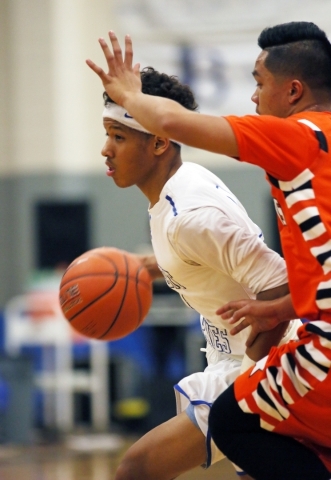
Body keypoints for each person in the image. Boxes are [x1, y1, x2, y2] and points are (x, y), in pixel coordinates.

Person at [85, 22, 331, 479]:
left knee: (148, 462)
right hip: (273, 342)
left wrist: (129, 96)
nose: (253, 99)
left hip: (286, 353)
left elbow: (179, 125)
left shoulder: (295, 141)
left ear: (294, 90)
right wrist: (150, 267)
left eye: (259, 84)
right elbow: (317, 282)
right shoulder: (175, 201)